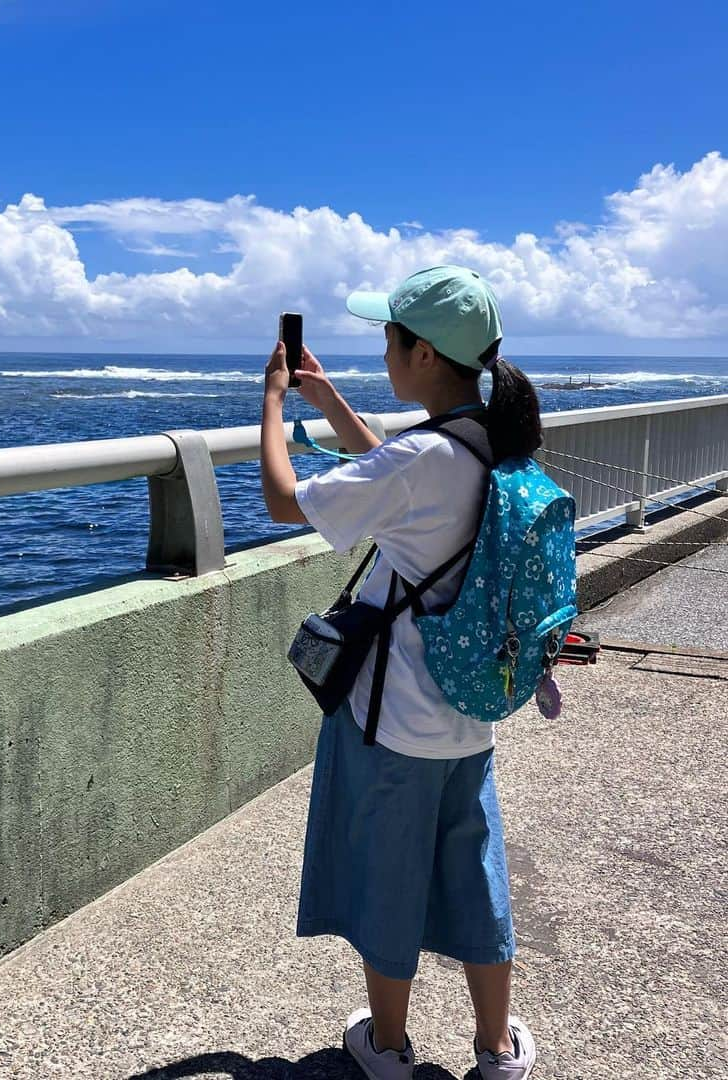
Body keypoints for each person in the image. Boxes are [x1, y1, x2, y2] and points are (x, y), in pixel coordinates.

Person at [260, 265, 542, 1080]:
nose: (382, 350)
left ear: (421, 354)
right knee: (474, 873)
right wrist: (331, 404)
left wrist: (274, 400)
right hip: (472, 712)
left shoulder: (424, 457)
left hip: (398, 720)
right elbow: (407, 479)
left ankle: (386, 1049)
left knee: (391, 880)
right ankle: (496, 1049)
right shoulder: (493, 442)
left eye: (389, 338)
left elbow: (288, 500)